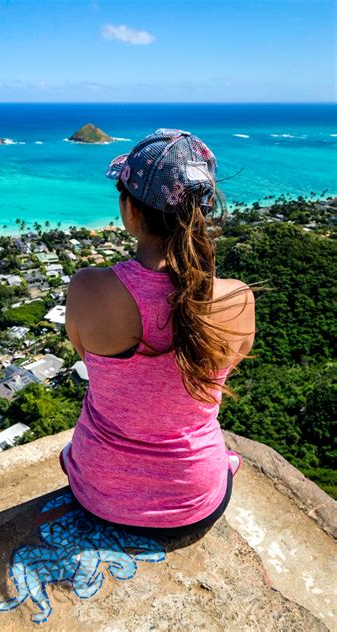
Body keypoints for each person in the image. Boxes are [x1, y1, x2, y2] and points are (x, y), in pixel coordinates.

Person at [61, 128, 255, 538]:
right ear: (199, 212)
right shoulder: (236, 299)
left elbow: (87, 357)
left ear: (130, 211)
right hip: (195, 502)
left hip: (99, 495)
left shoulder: (89, 289)